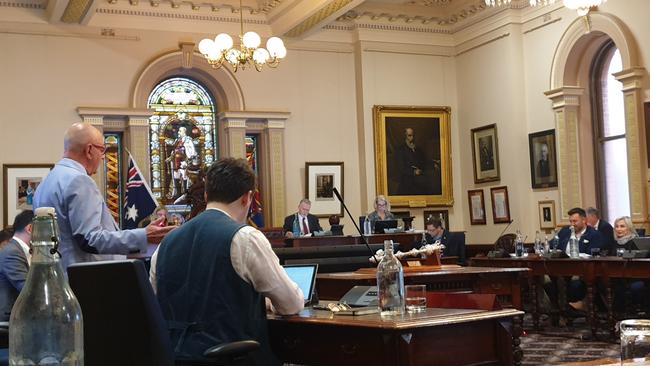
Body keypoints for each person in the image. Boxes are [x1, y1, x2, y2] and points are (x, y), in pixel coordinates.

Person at [151, 157, 303, 365]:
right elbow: (291, 304)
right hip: (231, 358)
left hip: (174, 357)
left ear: (206, 194)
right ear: (247, 198)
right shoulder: (245, 238)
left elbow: (158, 302)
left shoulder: (166, 243)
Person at [33, 123, 175, 269]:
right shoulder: (79, 180)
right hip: (84, 281)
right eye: (102, 150)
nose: (102, 157)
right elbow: (90, 239)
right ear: (89, 150)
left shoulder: (47, 182)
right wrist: (144, 235)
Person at [0, 210, 34, 321]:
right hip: (10, 319)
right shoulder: (12, 252)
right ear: (30, 229)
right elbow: (28, 290)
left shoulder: (21, 250)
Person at [609, 216, 646, 313]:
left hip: (634, 277)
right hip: (616, 276)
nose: (619, 229)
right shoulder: (613, 243)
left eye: (622, 226)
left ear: (629, 228)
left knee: (636, 286)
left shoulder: (636, 242)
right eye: (616, 226)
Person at [394, 128, 440, 195]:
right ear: (405, 136)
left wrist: (433, 164)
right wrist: (413, 172)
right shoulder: (400, 150)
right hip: (407, 179)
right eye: (409, 135)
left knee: (431, 184)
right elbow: (401, 168)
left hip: (419, 177)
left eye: (413, 135)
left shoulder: (417, 149)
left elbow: (423, 161)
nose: (412, 138)